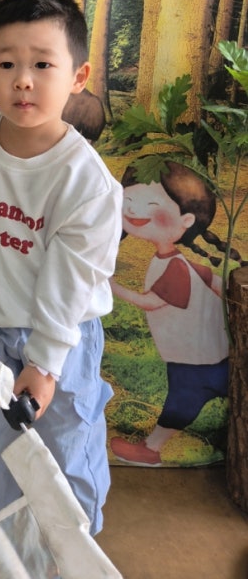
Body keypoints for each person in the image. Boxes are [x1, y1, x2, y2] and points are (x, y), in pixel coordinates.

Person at [0, 0, 121, 535]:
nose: (22, 80)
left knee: (66, 443)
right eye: (6, 63)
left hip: (62, 336)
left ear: (78, 76)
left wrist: (44, 365)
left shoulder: (86, 183)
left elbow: (71, 285)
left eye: (42, 64)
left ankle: (73, 549)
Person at [109, 160, 229, 467]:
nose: (133, 210)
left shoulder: (175, 266)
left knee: (181, 402)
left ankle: (151, 450)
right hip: (206, 355)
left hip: (194, 359)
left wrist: (111, 286)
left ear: (186, 220)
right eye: (128, 199)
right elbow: (212, 280)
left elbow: (149, 302)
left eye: (150, 204)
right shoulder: (175, 261)